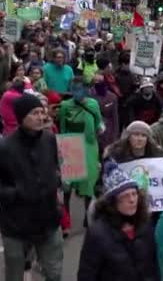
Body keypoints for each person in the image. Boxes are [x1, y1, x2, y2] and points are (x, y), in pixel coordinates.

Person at [0, 93, 64, 281]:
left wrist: (56, 185)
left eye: (42, 112)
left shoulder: (49, 139)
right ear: (21, 117)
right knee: (15, 274)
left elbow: (55, 167)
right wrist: (14, 193)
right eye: (34, 113)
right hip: (16, 225)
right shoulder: (2, 149)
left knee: (54, 272)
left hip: (49, 220)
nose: (41, 117)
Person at [77, 161, 159, 281]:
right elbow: (87, 275)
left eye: (134, 194)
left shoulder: (145, 225)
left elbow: (153, 267)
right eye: (125, 196)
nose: (132, 200)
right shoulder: (97, 234)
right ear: (112, 202)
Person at [58, 75, 104, 226]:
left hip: (89, 145)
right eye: (74, 89)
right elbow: (62, 127)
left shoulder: (93, 104)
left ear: (87, 89)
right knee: (68, 186)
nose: (77, 92)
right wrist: (62, 149)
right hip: (71, 144)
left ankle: (87, 217)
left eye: (80, 89)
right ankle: (66, 219)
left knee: (89, 183)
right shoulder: (65, 105)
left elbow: (99, 122)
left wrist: (100, 129)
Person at [89, 71, 120, 153]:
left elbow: (115, 117)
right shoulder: (88, 95)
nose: (98, 83)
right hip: (92, 132)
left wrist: (115, 137)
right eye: (95, 81)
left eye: (100, 81)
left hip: (107, 134)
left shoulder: (112, 97)